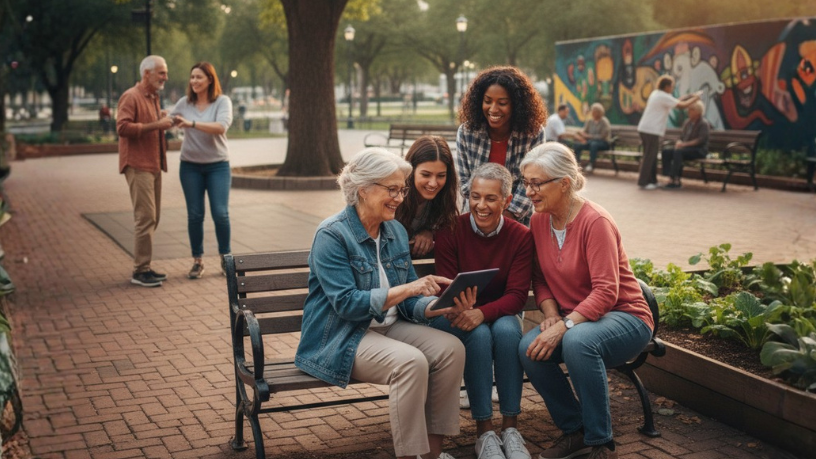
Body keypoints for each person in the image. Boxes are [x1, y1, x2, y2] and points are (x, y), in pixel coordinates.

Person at [295, 148, 466, 459]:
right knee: (410, 362)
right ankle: (410, 455)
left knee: (451, 349)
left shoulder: (395, 231)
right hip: (341, 336)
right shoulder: (332, 235)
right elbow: (347, 304)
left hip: (388, 327)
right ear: (363, 189)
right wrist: (408, 289)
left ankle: (432, 454)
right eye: (391, 189)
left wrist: (438, 305)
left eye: (402, 189)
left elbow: (408, 302)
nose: (399, 198)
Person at [517, 142, 654, 459]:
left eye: (536, 183)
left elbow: (607, 291)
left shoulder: (595, 222)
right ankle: (575, 430)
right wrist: (550, 315)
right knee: (528, 348)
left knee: (578, 341)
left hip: (625, 318)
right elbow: (540, 278)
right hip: (577, 319)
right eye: (526, 182)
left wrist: (564, 325)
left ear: (564, 183)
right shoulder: (539, 220)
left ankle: (601, 442)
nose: (529, 192)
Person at [432, 163, 533, 459]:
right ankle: (484, 432)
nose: (481, 205)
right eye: (475, 196)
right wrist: (471, 314)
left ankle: (511, 428)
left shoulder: (520, 236)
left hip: (497, 315)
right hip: (456, 316)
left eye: (490, 198)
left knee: (506, 330)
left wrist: (482, 313)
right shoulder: (451, 230)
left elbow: (516, 296)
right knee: (476, 334)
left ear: (507, 200)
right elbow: (446, 289)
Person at [457, 66, 548, 226]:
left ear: (517, 105)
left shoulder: (533, 134)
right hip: (475, 218)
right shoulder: (467, 131)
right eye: (487, 101)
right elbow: (465, 181)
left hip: (515, 220)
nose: (493, 109)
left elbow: (533, 182)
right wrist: (483, 211)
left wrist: (506, 217)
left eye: (502, 103)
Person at [170, 62, 234, 279]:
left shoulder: (222, 102)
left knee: (220, 213)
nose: (194, 81)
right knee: (195, 215)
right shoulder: (184, 103)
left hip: (218, 165)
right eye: (192, 77)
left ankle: (226, 259)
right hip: (190, 166)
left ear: (209, 79)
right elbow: (170, 120)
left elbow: (221, 127)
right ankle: (197, 261)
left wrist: (191, 124)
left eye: (199, 77)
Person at [117, 55, 174, 288]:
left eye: (165, 73)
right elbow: (122, 127)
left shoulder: (153, 97)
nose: (165, 77)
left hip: (153, 164)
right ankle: (140, 270)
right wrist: (156, 125)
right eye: (161, 72)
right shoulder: (131, 96)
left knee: (154, 217)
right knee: (145, 217)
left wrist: (162, 118)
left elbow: (150, 123)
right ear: (146, 74)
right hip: (137, 164)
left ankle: (146, 267)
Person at [395, 136, 459, 258]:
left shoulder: (445, 197)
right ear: (411, 171)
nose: (433, 183)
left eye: (441, 176)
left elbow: (447, 225)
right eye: (426, 175)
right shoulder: (394, 196)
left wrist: (431, 232)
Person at [636, 75, 701, 190]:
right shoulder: (663, 96)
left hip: (645, 129)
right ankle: (644, 182)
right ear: (666, 86)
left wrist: (690, 96)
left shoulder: (656, 93)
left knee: (651, 156)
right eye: (672, 86)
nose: (672, 88)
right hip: (651, 130)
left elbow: (677, 101)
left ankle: (652, 181)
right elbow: (681, 106)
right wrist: (695, 99)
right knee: (649, 156)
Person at [660, 100, 710, 189]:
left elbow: (700, 140)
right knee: (666, 151)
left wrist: (684, 144)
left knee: (679, 152)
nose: (688, 111)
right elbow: (682, 137)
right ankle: (669, 175)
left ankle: (675, 180)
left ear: (697, 112)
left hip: (699, 150)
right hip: (686, 149)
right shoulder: (687, 122)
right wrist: (679, 142)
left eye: (690, 109)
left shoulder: (703, 124)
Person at [572, 103, 612, 173]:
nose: (592, 113)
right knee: (577, 145)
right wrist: (581, 133)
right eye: (592, 111)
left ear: (599, 112)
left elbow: (603, 136)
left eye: (594, 111)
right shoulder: (590, 121)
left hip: (603, 143)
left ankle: (591, 164)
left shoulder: (604, 122)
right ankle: (576, 165)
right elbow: (585, 131)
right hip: (590, 142)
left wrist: (589, 136)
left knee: (594, 144)